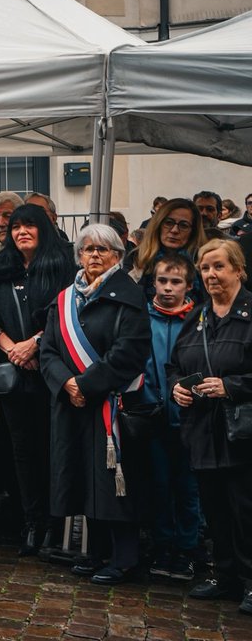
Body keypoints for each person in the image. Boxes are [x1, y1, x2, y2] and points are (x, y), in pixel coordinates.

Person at [40, 224, 150, 585]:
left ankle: (125, 558)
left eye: (103, 249)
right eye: (88, 249)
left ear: (117, 255)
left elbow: (129, 351)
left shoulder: (129, 297)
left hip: (111, 405)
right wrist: (66, 383)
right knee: (83, 477)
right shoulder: (64, 300)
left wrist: (85, 385)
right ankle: (96, 551)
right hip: (72, 404)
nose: (95, 255)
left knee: (114, 481)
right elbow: (49, 350)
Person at [0, 204, 75, 556]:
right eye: (16, 227)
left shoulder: (62, 268)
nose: (21, 232)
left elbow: (66, 315)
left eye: (29, 225)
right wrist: (13, 349)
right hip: (13, 375)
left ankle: (54, 523)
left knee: (52, 448)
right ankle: (31, 521)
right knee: (22, 451)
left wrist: (35, 344)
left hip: (51, 375)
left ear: (43, 229)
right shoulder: (0, 270)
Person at [169, 239, 252, 613]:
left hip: (242, 432)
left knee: (246, 509)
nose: (211, 274)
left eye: (219, 266)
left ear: (238, 269)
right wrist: (176, 387)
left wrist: (231, 386)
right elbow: (175, 365)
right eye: (205, 268)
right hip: (203, 430)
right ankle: (226, 575)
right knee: (215, 509)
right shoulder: (197, 317)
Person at [137, 253, 203, 582]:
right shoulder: (142, 318)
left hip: (190, 418)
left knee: (188, 487)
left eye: (175, 282)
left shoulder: (199, 320)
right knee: (159, 485)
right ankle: (162, 544)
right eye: (162, 281)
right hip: (152, 414)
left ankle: (187, 548)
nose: (167, 288)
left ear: (188, 286)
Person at [128, 197, 207, 301]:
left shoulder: (202, 261)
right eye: (168, 223)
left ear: (193, 231)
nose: (174, 230)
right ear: (158, 225)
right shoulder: (137, 258)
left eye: (184, 225)